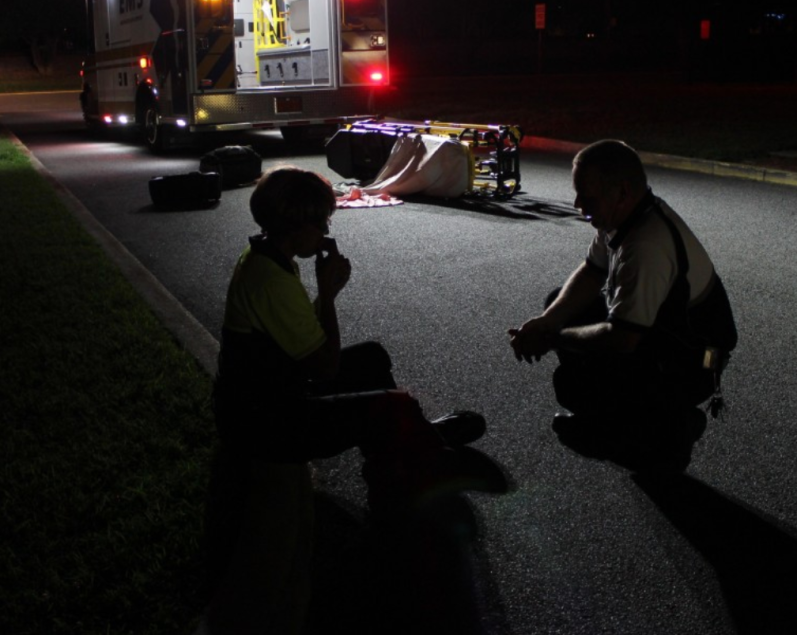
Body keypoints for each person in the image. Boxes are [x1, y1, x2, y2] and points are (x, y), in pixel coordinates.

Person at [202, 165, 497, 634]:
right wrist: (330, 293)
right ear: (294, 224)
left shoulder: (265, 257)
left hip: (270, 394)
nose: (325, 232)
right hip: (270, 422)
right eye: (320, 223)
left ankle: (411, 446)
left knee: (373, 358)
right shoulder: (273, 281)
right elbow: (325, 365)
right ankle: (398, 517)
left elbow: (312, 345)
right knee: (391, 405)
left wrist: (321, 295)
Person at [508, 140, 737, 466]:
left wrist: (552, 338)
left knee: (597, 367)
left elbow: (622, 338)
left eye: (587, 198)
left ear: (622, 192)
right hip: (665, 334)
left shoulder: (646, 246)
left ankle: (668, 428)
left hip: (697, 361)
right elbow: (592, 271)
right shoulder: (623, 216)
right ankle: (624, 419)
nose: (577, 205)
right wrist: (547, 320)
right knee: (559, 306)